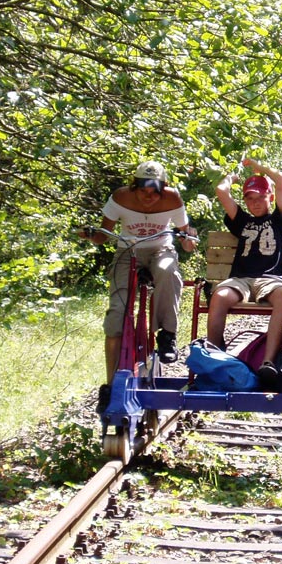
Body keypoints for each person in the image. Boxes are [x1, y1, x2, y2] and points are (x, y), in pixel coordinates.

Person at [80, 160, 197, 412]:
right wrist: (90, 235)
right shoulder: (120, 197)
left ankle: (167, 334)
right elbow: (102, 234)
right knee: (116, 315)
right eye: (144, 189)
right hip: (127, 251)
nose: (149, 196)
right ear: (135, 186)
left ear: (163, 189)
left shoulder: (173, 200)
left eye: (155, 190)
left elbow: (185, 232)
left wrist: (189, 241)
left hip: (160, 249)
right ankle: (111, 384)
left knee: (168, 272)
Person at [207, 157, 282, 389]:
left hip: (272, 279)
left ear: (270, 198)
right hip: (242, 279)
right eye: (250, 198)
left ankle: (269, 361)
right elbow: (221, 191)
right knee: (219, 296)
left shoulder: (279, 219)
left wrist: (261, 168)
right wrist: (232, 177)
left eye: (261, 197)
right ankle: (215, 356)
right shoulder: (241, 221)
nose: (255, 203)